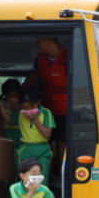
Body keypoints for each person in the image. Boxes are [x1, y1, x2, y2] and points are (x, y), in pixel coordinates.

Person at [23, 37, 68, 182]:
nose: (36, 43)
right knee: (47, 140)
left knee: (61, 143)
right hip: (47, 106)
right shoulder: (41, 57)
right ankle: (48, 176)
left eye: (39, 41)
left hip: (64, 109)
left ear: (48, 41)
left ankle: (61, 178)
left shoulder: (67, 58)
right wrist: (21, 91)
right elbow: (36, 74)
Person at [10, 86, 54, 186]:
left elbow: (47, 134)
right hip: (25, 149)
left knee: (42, 180)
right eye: (25, 108)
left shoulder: (46, 113)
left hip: (43, 150)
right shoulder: (19, 113)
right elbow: (11, 122)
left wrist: (35, 119)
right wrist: (0, 107)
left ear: (38, 102)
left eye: (32, 107)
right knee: (25, 180)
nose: (28, 110)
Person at [0, 79, 23, 147]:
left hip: (22, 133)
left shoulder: (24, 105)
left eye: (16, 97)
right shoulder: (0, 105)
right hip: (7, 133)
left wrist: (18, 108)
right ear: (5, 95)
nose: (13, 99)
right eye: (10, 97)